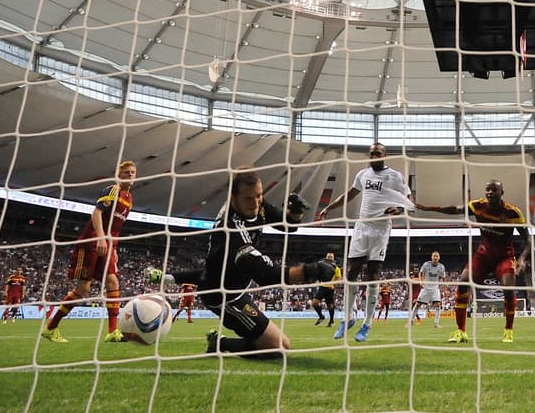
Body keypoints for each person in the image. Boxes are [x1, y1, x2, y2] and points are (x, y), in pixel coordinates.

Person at [151, 173, 334, 357]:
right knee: (279, 347)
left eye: (259, 195)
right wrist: (313, 270)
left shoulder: (255, 205)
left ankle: (220, 343)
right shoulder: (230, 229)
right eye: (248, 198)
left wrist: (295, 211)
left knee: (279, 345)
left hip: (236, 286)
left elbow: (287, 225)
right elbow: (266, 275)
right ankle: (220, 345)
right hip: (224, 296)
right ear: (232, 197)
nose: (255, 203)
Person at [314, 142, 415, 343]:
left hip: (380, 229)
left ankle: (367, 323)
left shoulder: (394, 176)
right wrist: (329, 208)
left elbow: (410, 203)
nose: (374, 156)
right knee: (351, 273)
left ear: (384, 155)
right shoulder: (362, 174)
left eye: (378, 153)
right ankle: (348, 318)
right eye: (371, 153)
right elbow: (350, 194)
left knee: (372, 276)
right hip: (361, 227)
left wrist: (398, 210)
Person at [418, 179, 532, 345]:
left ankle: (508, 331)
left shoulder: (512, 213)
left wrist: (522, 259)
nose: (490, 193)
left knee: (508, 289)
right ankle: (461, 331)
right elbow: (454, 210)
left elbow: (527, 238)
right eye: (488, 189)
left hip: (504, 257)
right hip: (483, 255)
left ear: (502, 193)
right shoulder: (478, 206)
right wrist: (429, 208)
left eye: (494, 190)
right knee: (463, 283)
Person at [42, 160, 136, 344]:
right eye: (126, 173)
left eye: (133, 172)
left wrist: (114, 247)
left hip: (108, 246)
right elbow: (96, 213)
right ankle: (51, 328)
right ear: (119, 175)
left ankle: (112, 331)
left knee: (112, 281)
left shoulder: (130, 199)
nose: (130, 175)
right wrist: (100, 237)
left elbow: (116, 227)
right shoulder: (112, 190)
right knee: (83, 288)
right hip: (91, 243)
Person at [412, 251, 447, 328]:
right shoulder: (426, 265)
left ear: (439, 258)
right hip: (426, 288)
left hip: (435, 289)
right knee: (417, 304)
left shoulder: (441, 267)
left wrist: (445, 288)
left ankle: (436, 324)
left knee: (438, 305)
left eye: (437, 256)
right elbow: (420, 274)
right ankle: (411, 321)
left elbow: (443, 278)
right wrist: (421, 282)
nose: (435, 257)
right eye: (434, 256)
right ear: (431, 257)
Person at [310, 251, 341, 326]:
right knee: (314, 303)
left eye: (331, 257)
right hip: (322, 287)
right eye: (328, 257)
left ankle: (331, 321)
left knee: (330, 305)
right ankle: (321, 316)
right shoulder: (322, 266)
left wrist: (333, 284)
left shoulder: (336, 268)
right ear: (326, 258)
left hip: (329, 289)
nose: (329, 258)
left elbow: (339, 278)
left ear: (333, 258)